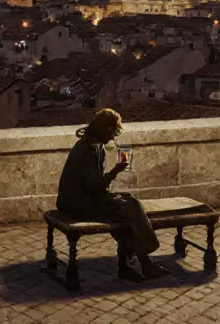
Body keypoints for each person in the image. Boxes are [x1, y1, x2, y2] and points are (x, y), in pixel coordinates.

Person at [55, 108, 170, 282]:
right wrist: (115, 171)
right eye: (113, 133)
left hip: (71, 201)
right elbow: (95, 185)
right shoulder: (93, 148)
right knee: (132, 208)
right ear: (107, 129)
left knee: (128, 204)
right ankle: (142, 262)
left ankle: (133, 265)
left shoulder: (85, 143)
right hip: (80, 205)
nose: (113, 138)